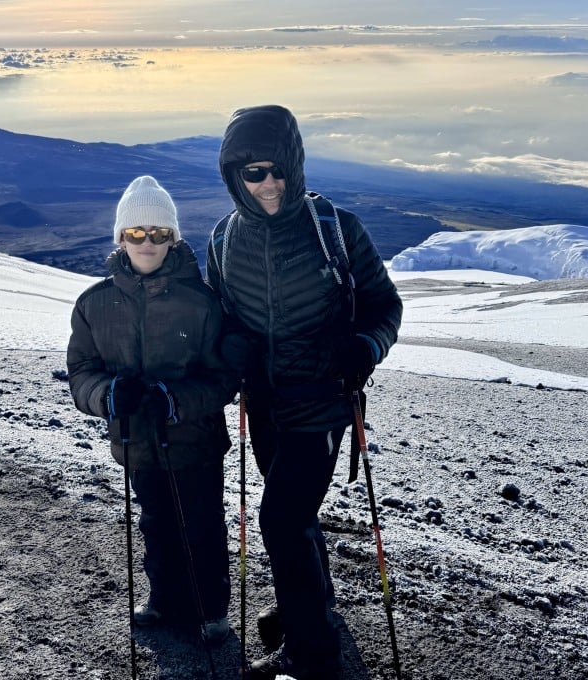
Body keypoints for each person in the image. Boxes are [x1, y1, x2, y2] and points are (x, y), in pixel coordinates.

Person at [206, 106, 403, 680]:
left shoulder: (335, 229)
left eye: (278, 170)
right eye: (252, 173)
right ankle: (311, 607)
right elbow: (223, 317)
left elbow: (384, 305)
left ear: (294, 167)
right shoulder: (223, 239)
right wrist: (232, 349)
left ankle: (312, 655)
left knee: (281, 520)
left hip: (322, 402)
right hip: (264, 404)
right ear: (234, 176)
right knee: (296, 516)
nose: (267, 183)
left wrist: (365, 347)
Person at [67, 175, 238, 645]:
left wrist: (176, 400)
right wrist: (107, 396)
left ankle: (210, 609)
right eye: (136, 232)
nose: (147, 242)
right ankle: (165, 598)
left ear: (173, 238)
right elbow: (81, 371)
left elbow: (224, 376)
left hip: (196, 442)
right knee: (156, 523)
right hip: (136, 441)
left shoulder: (202, 302)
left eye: (159, 233)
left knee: (202, 525)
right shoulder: (94, 304)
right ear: (121, 238)